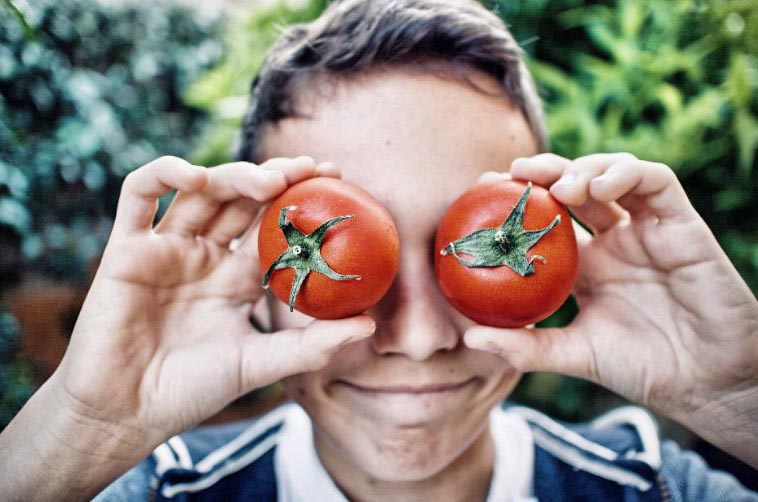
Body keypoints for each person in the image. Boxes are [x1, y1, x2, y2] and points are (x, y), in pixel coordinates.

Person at [1, 0, 757, 500]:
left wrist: (741, 402)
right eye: (362, 271)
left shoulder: (655, 486)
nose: (422, 340)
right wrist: (82, 429)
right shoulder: (163, 493)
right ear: (260, 283)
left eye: (469, 254)